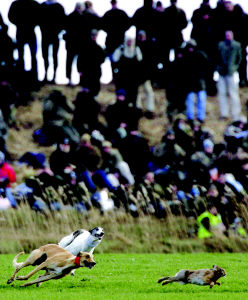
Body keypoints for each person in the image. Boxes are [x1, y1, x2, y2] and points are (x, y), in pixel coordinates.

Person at [8, 0, 41, 84]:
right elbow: (10, 16)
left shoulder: (19, 4)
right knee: (23, 55)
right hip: (23, 31)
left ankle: (32, 77)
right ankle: (22, 76)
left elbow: (40, 16)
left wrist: (21, 23)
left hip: (26, 31)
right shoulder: (18, 4)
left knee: (32, 55)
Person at [216, 29, 242, 121]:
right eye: (227, 35)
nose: (228, 37)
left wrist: (234, 68)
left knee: (233, 93)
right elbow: (217, 57)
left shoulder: (236, 45)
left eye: (229, 35)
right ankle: (224, 113)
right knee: (222, 93)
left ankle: (236, 114)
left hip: (231, 72)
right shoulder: (221, 45)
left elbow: (239, 58)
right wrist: (218, 68)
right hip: (221, 73)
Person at [39, 0, 66, 84]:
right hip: (45, 35)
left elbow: (63, 20)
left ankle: (54, 76)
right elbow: (38, 19)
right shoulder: (43, 5)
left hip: (54, 35)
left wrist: (58, 30)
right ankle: (46, 75)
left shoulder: (58, 6)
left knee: (54, 56)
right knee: (45, 56)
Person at [183, 39, 209, 123]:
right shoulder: (185, 56)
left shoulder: (201, 55)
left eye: (192, 46)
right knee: (190, 100)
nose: (190, 48)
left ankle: (200, 117)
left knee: (201, 99)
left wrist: (204, 77)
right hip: (189, 82)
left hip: (200, 82)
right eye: (189, 46)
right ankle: (190, 117)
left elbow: (207, 67)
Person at [77, 29, 106, 96]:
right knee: (85, 92)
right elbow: (79, 59)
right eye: (92, 35)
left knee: (95, 91)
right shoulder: (84, 47)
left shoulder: (98, 48)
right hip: (86, 73)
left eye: (95, 35)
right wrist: (79, 70)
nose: (94, 37)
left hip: (95, 73)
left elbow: (103, 59)